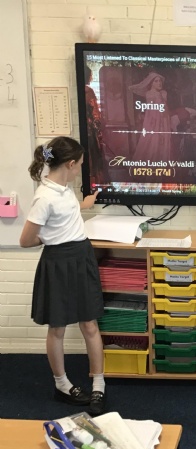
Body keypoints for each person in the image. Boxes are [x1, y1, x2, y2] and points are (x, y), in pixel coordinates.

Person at [19, 136, 107, 416]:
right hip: (58, 262)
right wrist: (52, 238)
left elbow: (65, 212)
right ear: (70, 164)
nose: (80, 169)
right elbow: (26, 240)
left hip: (81, 258)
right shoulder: (44, 197)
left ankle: (98, 382)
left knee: (89, 323)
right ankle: (62, 384)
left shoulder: (63, 189)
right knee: (57, 327)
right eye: (79, 164)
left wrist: (84, 204)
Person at [129, 72, 171, 163]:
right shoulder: (150, 94)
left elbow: (165, 109)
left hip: (164, 120)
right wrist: (154, 122)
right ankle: (151, 162)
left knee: (163, 141)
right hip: (154, 120)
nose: (159, 83)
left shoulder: (164, 93)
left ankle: (162, 162)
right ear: (151, 83)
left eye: (160, 81)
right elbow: (151, 110)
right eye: (156, 81)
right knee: (153, 140)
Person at [84, 65, 110, 185]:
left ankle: (92, 184)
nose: (92, 77)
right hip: (91, 132)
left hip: (86, 132)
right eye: (91, 75)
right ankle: (98, 184)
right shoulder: (88, 91)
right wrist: (100, 131)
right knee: (95, 160)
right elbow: (95, 114)